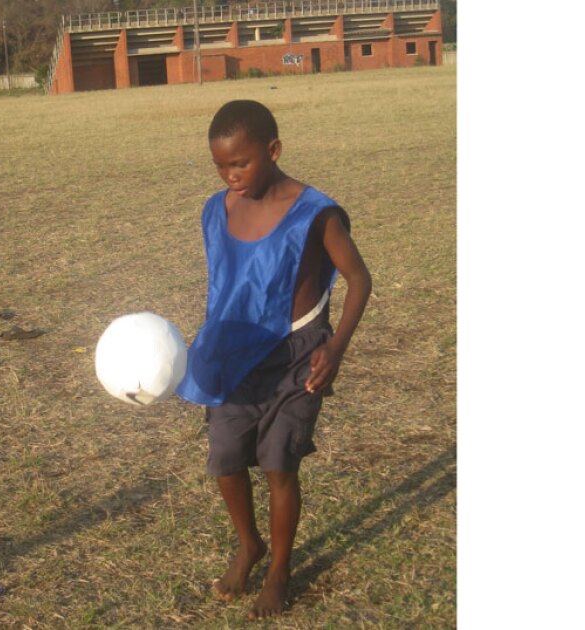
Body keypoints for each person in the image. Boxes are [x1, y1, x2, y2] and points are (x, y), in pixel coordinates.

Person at [175, 100, 372, 620]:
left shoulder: (315, 214)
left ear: (273, 150)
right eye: (220, 165)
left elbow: (359, 279)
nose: (230, 176)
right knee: (225, 457)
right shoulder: (216, 211)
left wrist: (336, 346)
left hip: (298, 355)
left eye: (240, 163)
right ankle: (249, 545)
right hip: (234, 355)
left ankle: (279, 570)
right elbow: (226, 284)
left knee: (279, 463)